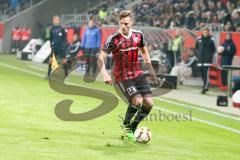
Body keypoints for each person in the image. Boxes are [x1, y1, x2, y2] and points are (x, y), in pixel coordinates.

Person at [98, 10, 157, 141]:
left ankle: (133, 126)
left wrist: (151, 69)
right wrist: (105, 75)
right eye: (121, 23)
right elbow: (100, 57)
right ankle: (126, 125)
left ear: (132, 23)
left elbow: (145, 52)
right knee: (137, 100)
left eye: (126, 24)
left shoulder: (138, 35)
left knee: (149, 103)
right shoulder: (114, 38)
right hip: (121, 76)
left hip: (137, 73)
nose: (123, 26)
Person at [195, 28, 216, 94]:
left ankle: (205, 87)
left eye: (207, 32)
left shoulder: (211, 40)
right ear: (203, 32)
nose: (205, 33)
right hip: (200, 60)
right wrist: (199, 56)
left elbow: (213, 49)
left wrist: (209, 56)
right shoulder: (199, 39)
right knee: (202, 75)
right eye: (204, 32)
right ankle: (206, 85)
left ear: (208, 33)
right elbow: (196, 48)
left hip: (207, 61)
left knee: (206, 74)